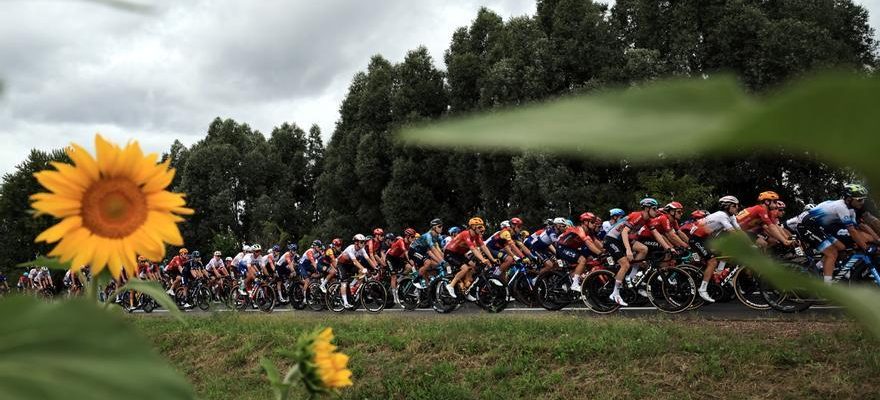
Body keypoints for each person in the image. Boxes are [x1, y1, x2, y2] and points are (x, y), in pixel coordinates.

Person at [800, 184, 875, 284]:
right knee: (832, 253)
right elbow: (852, 231)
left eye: (863, 199)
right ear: (849, 199)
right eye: (860, 199)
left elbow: (857, 228)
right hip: (808, 226)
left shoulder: (851, 210)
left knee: (842, 247)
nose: (862, 202)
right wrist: (866, 248)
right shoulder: (841, 207)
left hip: (821, 227)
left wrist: (875, 240)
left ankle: (818, 268)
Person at [603, 198, 662, 306]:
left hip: (621, 239)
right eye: (654, 208)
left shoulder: (647, 219)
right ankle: (615, 293)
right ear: (647, 208)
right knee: (625, 264)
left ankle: (631, 277)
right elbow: (625, 232)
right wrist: (628, 250)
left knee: (644, 249)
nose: (656, 211)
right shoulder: (637, 215)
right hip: (612, 239)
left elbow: (656, 234)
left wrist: (669, 248)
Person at [689, 196, 742, 302]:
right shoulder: (721, 215)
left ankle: (718, 274)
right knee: (712, 261)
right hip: (697, 239)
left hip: (707, 239)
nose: (737, 208)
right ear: (727, 207)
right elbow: (733, 232)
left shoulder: (731, 217)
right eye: (735, 206)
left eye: (737, 205)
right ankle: (702, 289)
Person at [443, 217, 497, 299]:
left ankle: (465, 290)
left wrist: (492, 259)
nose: (481, 229)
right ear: (472, 227)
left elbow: (484, 247)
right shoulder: (466, 234)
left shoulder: (476, 236)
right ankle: (451, 285)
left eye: (482, 227)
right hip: (450, 253)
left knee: (473, 267)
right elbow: (473, 249)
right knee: (464, 268)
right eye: (479, 227)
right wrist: (482, 259)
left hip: (460, 254)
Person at [555, 212, 604, 292]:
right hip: (562, 248)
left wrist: (605, 251)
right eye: (592, 222)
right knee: (582, 260)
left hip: (571, 248)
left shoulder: (589, 232)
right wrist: (601, 253)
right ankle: (574, 284)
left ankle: (572, 279)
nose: (594, 224)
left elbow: (596, 243)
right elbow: (589, 244)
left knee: (590, 259)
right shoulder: (580, 230)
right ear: (585, 222)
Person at [335, 234, 377, 308]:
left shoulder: (362, 249)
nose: (363, 244)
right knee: (344, 281)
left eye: (364, 242)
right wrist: (363, 268)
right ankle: (345, 302)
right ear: (356, 242)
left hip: (349, 264)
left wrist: (375, 267)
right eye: (361, 242)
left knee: (362, 273)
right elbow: (355, 262)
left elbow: (368, 259)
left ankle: (352, 286)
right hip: (341, 264)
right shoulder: (351, 248)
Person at [411, 219, 446, 289]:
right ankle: (416, 280)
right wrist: (442, 261)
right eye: (439, 226)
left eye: (442, 226)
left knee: (437, 265)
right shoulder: (428, 236)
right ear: (434, 227)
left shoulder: (437, 236)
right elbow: (431, 250)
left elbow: (437, 249)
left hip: (424, 252)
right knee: (428, 262)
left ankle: (429, 288)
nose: (441, 228)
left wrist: (443, 259)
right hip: (414, 251)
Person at [385, 229, 416, 306]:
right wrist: (411, 261)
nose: (413, 238)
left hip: (398, 258)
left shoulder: (409, 243)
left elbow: (411, 253)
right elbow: (406, 252)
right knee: (394, 276)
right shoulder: (401, 241)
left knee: (409, 268)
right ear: (407, 236)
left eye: (414, 237)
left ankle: (399, 281)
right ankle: (395, 296)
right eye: (412, 237)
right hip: (390, 258)